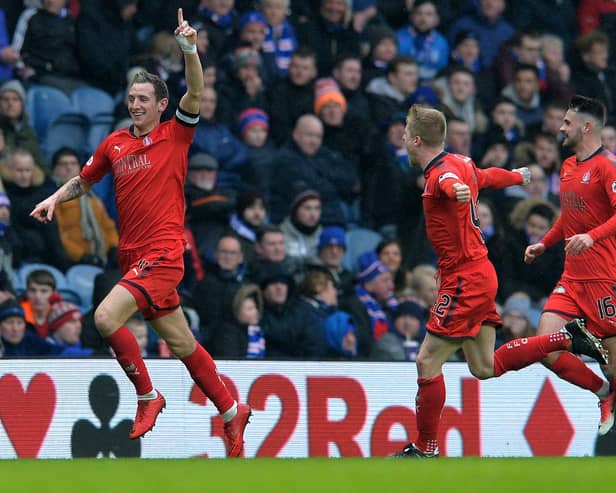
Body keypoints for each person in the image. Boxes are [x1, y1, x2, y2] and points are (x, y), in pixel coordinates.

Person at [29, 10, 251, 457]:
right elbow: (84, 181)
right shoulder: (114, 143)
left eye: (144, 98)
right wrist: (55, 198)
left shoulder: (176, 135)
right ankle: (231, 410)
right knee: (183, 343)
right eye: (131, 97)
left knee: (105, 318)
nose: (135, 104)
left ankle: (148, 396)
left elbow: (197, 89)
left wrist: (189, 49)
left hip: (165, 252)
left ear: (160, 105)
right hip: (132, 256)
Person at [393, 104, 607, 458]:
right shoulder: (460, 162)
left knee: (426, 362)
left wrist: (456, 191)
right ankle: (567, 339)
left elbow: (450, 184)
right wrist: (516, 176)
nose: (402, 138)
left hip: (464, 279)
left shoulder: (440, 176)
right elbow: (485, 176)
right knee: (484, 367)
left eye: (404, 133)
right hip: (478, 273)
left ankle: (426, 448)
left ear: (416, 140)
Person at [524, 95, 616, 437]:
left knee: (614, 366)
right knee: (546, 343)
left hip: (604, 279)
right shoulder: (567, 166)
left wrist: (592, 237)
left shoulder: (608, 166)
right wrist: (544, 243)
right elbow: (570, 217)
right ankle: (603, 394)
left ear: (586, 127)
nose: (560, 128)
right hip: (572, 278)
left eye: (567, 123)